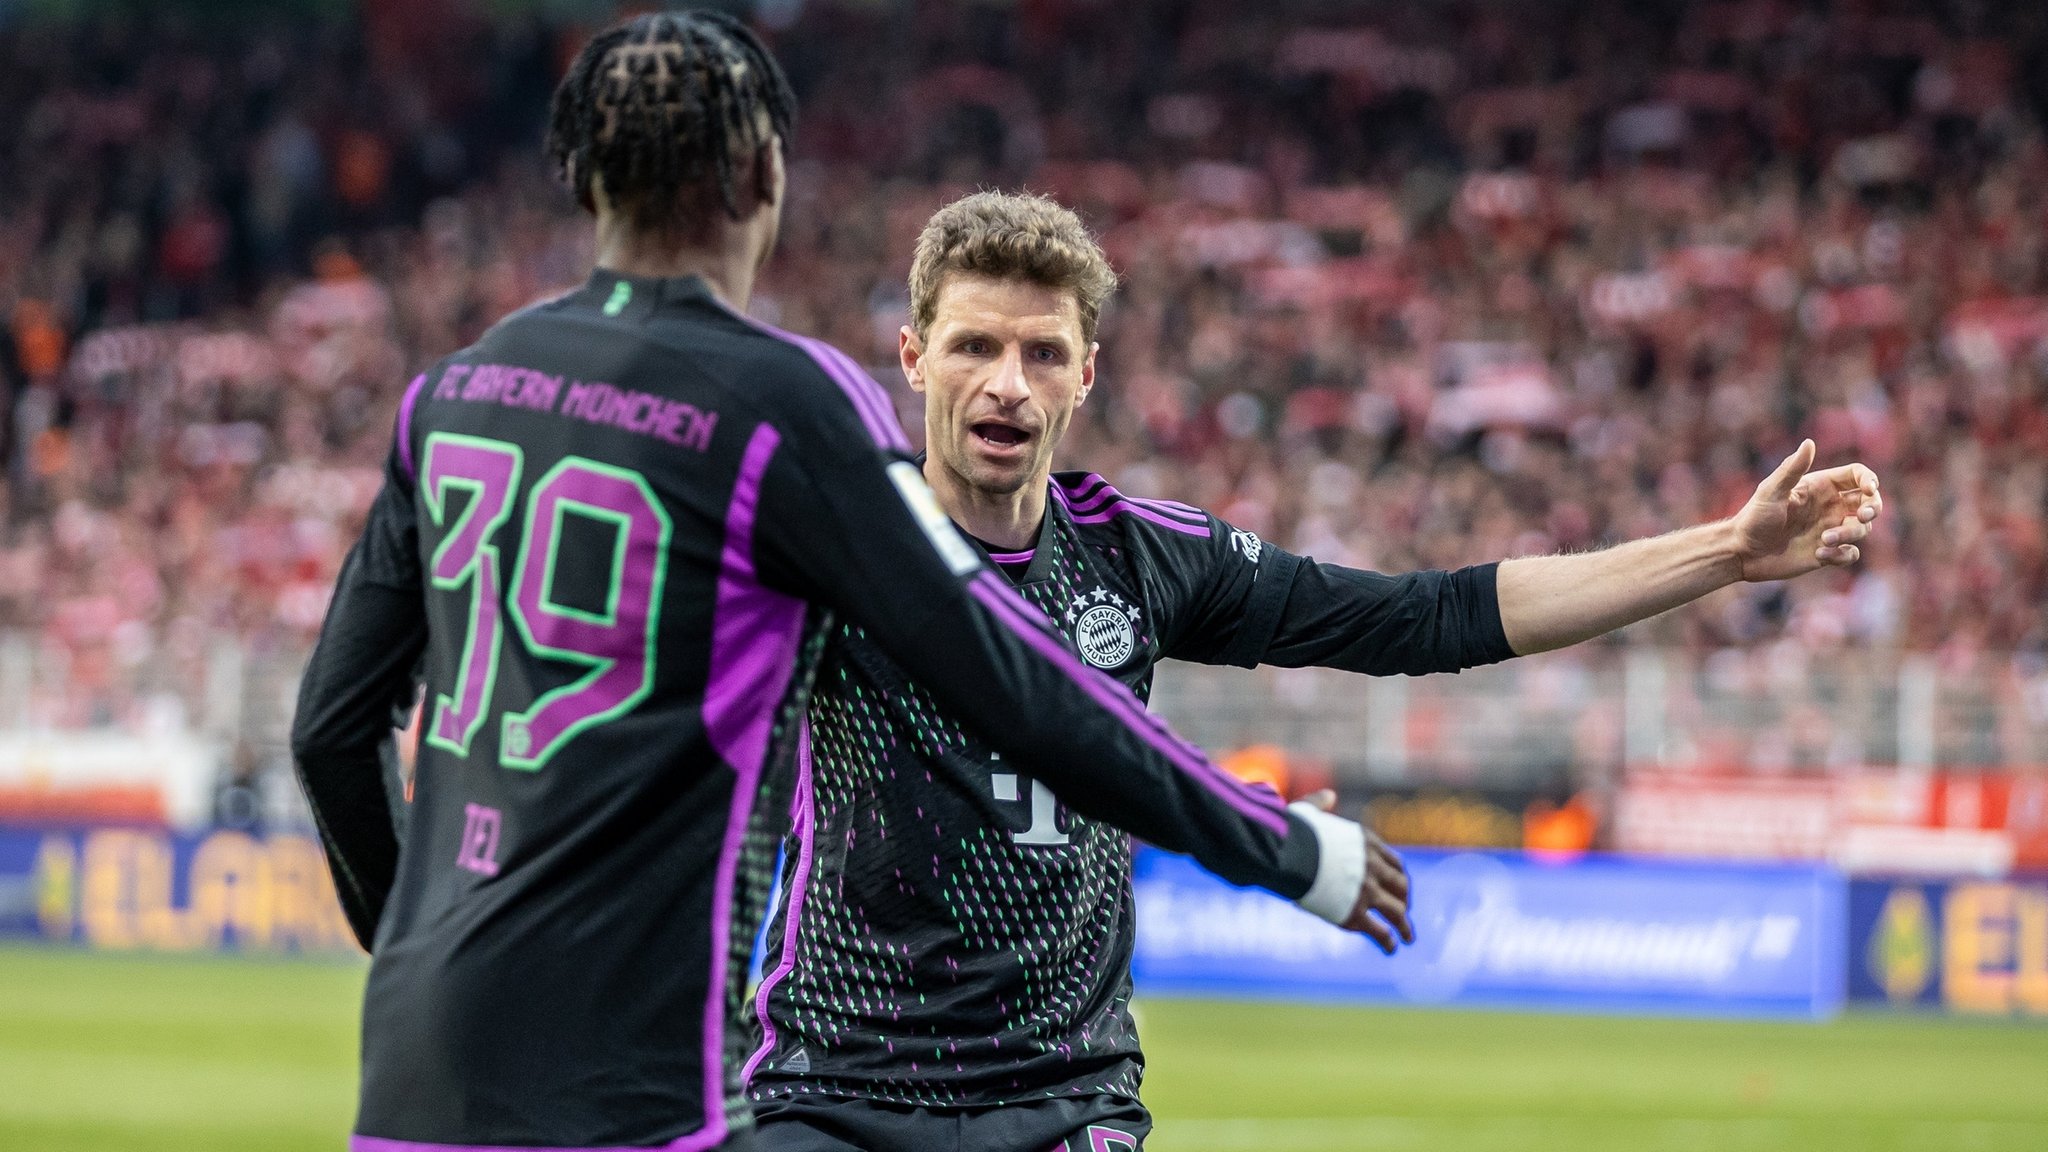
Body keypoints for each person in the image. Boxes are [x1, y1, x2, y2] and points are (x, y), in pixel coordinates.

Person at [288, 16, 1394, 1152]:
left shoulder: (455, 391)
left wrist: (404, 936)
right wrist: (1279, 845)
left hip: (426, 1052)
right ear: (767, 172)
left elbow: (330, 730)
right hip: (642, 1067)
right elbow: (1013, 678)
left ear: (578, 173)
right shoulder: (784, 404)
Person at [744, 190, 1885, 1151]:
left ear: (1084, 374)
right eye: (973, 346)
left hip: (1061, 1098)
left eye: (1041, 353)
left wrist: (1722, 553)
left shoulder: (1139, 556)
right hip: (833, 1091)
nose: (1007, 384)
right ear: (911, 356)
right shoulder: (830, 546)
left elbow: (1423, 618)